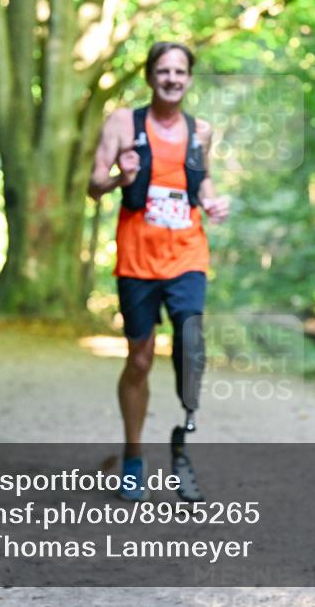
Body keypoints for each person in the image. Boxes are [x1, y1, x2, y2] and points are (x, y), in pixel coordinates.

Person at [88, 42, 230, 502]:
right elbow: (93, 185)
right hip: (137, 259)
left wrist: (210, 199)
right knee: (140, 359)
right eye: (163, 71)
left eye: (181, 71)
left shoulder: (200, 131)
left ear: (189, 79)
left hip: (187, 253)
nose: (172, 78)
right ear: (150, 77)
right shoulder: (122, 123)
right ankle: (133, 455)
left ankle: (182, 439)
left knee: (191, 344)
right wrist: (120, 177)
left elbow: (199, 177)